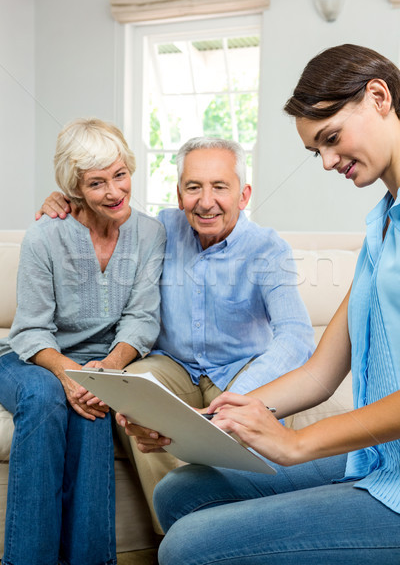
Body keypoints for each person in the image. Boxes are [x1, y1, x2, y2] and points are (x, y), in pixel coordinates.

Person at [152, 44, 400, 564]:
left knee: (186, 548)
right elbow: (318, 375)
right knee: (180, 491)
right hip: (380, 459)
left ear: (379, 97)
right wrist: (209, 419)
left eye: (331, 139)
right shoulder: (382, 226)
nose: (328, 161)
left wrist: (298, 445)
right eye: (317, 151)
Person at [38, 136, 315, 532]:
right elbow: (105, 206)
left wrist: (243, 397)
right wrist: (64, 201)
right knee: (129, 387)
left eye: (220, 186)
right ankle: (177, 534)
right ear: (179, 194)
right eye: (193, 187)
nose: (206, 201)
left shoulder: (268, 249)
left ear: (244, 194)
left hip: (240, 370)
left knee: (245, 424)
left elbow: (296, 337)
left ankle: (233, 538)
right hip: (175, 365)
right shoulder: (159, 229)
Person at [0, 118, 165, 565]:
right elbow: (31, 330)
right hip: (32, 359)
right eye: (97, 182)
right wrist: (69, 376)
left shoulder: (151, 233)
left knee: (93, 411)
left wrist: (106, 371)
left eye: (120, 174)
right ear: (74, 188)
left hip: (100, 362)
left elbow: (142, 318)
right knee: (45, 397)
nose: (114, 191)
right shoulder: (45, 235)